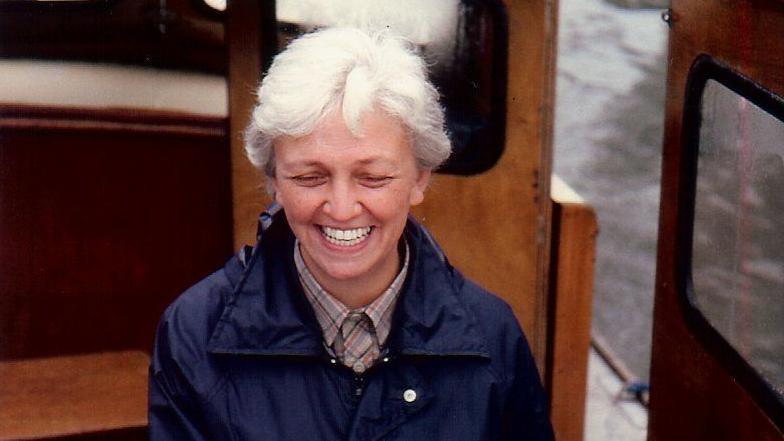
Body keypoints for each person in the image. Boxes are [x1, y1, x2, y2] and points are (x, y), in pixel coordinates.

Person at [149, 27, 553, 440]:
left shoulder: (494, 336)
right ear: (274, 181)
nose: (341, 209)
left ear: (419, 179)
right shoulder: (193, 332)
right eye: (309, 177)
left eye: (373, 178)